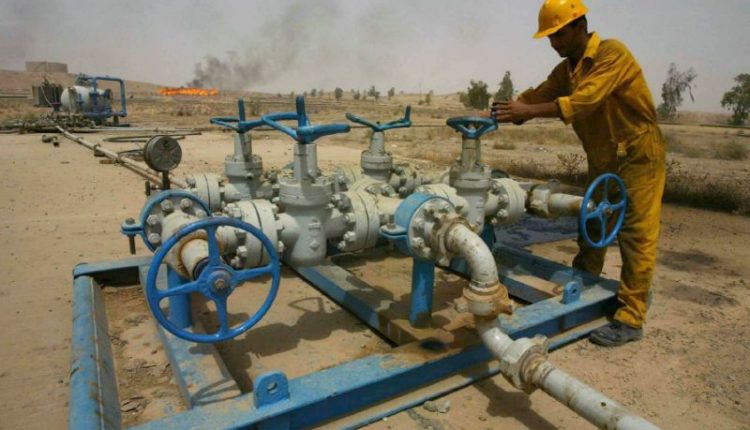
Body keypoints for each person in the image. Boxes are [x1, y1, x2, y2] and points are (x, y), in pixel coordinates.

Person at [491, 0, 666, 347]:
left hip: (637, 153)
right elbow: (537, 96)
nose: (553, 43)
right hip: (604, 158)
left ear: (580, 26)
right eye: (549, 37)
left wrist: (527, 110)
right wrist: (498, 114)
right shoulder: (565, 71)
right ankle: (585, 286)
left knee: (635, 234)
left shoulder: (611, 54)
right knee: (592, 224)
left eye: (558, 35)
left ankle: (631, 318)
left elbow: (584, 101)